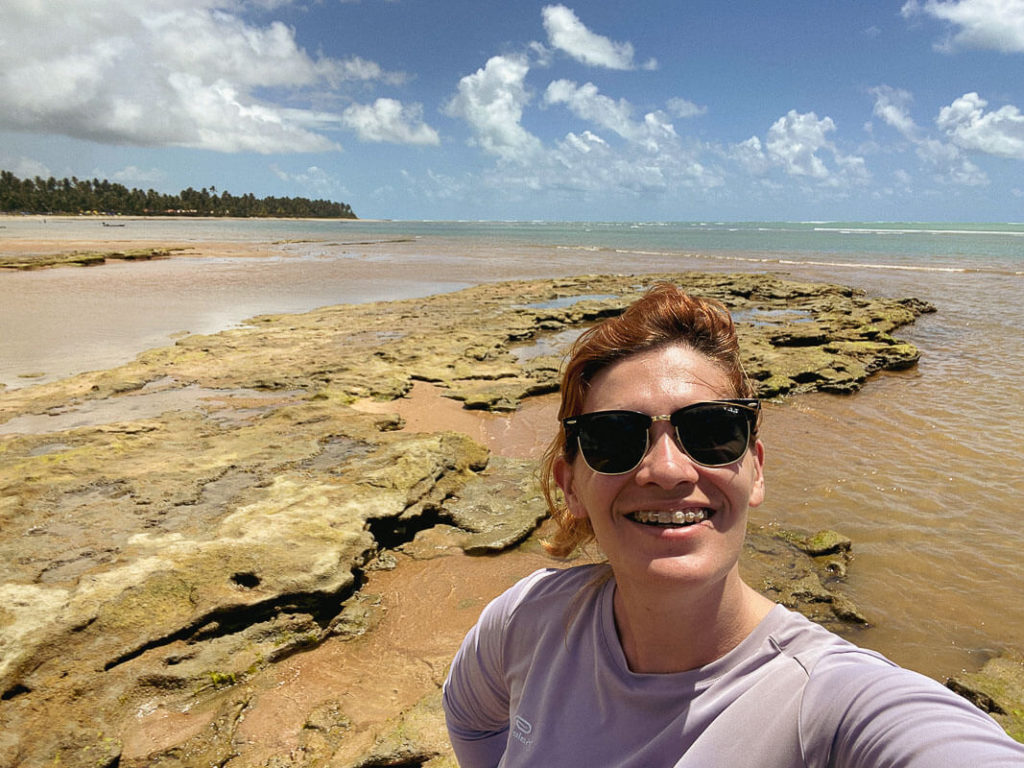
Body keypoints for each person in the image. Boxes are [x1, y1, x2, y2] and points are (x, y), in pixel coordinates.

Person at [442, 283, 1024, 767]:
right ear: (571, 486)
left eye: (713, 431)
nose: (667, 470)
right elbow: (470, 719)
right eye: (616, 437)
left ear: (756, 469)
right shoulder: (526, 621)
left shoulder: (824, 705)